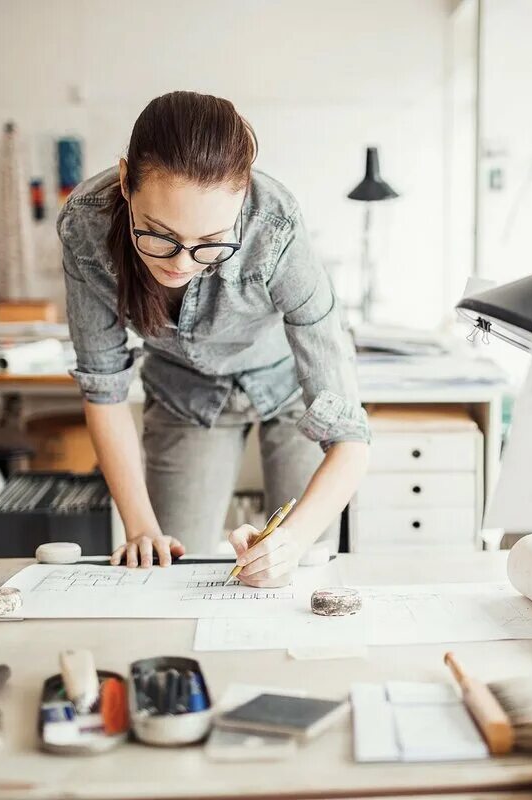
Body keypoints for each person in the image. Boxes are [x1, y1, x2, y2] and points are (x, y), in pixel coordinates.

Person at [57, 91, 370, 585]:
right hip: (186, 393)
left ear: (242, 201)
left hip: (290, 388)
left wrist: (294, 541)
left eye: (210, 243)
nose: (181, 262)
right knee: (169, 567)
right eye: (159, 234)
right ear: (124, 181)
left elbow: (349, 438)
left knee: (301, 567)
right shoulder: (85, 227)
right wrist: (140, 530)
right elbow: (103, 387)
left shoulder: (276, 226)